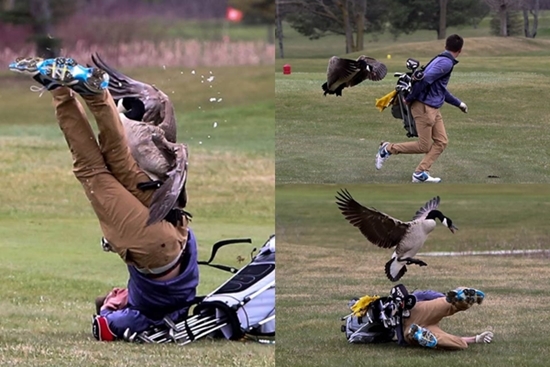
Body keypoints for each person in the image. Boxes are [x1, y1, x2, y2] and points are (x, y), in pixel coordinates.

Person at [8, 56, 199, 341]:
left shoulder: (161, 301)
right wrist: (107, 311)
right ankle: (61, 90)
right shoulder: (143, 314)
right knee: (90, 170)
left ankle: (94, 92)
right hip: (157, 247)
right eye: (112, 297)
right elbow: (104, 328)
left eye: (111, 295)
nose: (114, 293)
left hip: (172, 228)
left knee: (117, 156)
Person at [375, 34, 468, 183]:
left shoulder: (441, 59)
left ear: (446, 46)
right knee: (423, 146)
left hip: (433, 107)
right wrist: (409, 98)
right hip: (424, 107)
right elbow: (423, 80)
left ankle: (420, 172)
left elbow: (440, 89)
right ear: (460, 50)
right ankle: (387, 149)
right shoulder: (445, 63)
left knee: (441, 142)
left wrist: (458, 103)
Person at [344, 285, 493, 350]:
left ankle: (421, 335)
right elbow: (422, 296)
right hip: (415, 314)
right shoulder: (417, 297)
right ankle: (461, 298)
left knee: (443, 339)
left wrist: (476, 338)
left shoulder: (378, 312)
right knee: (460, 343)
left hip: (410, 327)